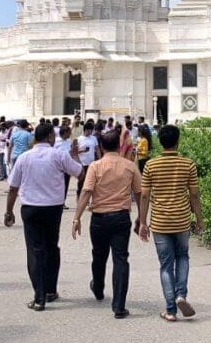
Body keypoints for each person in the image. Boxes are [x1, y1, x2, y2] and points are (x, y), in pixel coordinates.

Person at [4, 122, 83, 311]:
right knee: (51, 247)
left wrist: (9, 211)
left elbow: (13, 187)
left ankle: (39, 296)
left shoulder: (24, 157)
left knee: (35, 251)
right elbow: (80, 173)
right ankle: (50, 290)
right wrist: (75, 156)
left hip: (31, 208)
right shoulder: (58, 155)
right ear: (49, 136)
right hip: (53, 209)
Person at [71, 130, 144, 319]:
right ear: (119, 147)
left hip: (99, 218)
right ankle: (119, 305)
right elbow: (140, 193)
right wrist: (142, 219)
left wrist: (77, 218)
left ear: (101, 147)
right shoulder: (129, 166)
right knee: (120, 259)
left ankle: (98, 287)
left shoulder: (95, 166)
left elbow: (86, 191)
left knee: (98, 255)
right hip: (120, 217)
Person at [138, 124, 205, 322]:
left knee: (166, 265)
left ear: (160, 142)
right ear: (178, 141)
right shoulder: (188, 164)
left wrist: (143, 222)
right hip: (182, 220)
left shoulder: (151, 165)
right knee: (183, 257)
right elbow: (194, 194)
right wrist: (199, 219)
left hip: (159, 222)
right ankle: (181, 295)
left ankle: (170, 310)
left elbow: (144, 196)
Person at [75, 121, 99, 199]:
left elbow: (97, 149)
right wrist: (83, 151)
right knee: (82, 181)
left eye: (92, 130)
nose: (91, 132)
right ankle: (79, 195)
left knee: (91, 181)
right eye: (90, 130)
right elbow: (75, 152)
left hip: (91, 163)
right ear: (85, 130)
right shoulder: (79, 139)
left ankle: (88, 197)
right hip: (82, 163)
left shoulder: (93, 138)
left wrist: (100, 159)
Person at [54, 124, 74, 209]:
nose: (70, 134)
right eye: (69, 133)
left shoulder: (69, 141)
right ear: (65, 132)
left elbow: (70, 152)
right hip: (57, 167)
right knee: (57, 185)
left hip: (66, 167)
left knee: (65, 184)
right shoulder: (56, 141)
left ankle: (63, 202)